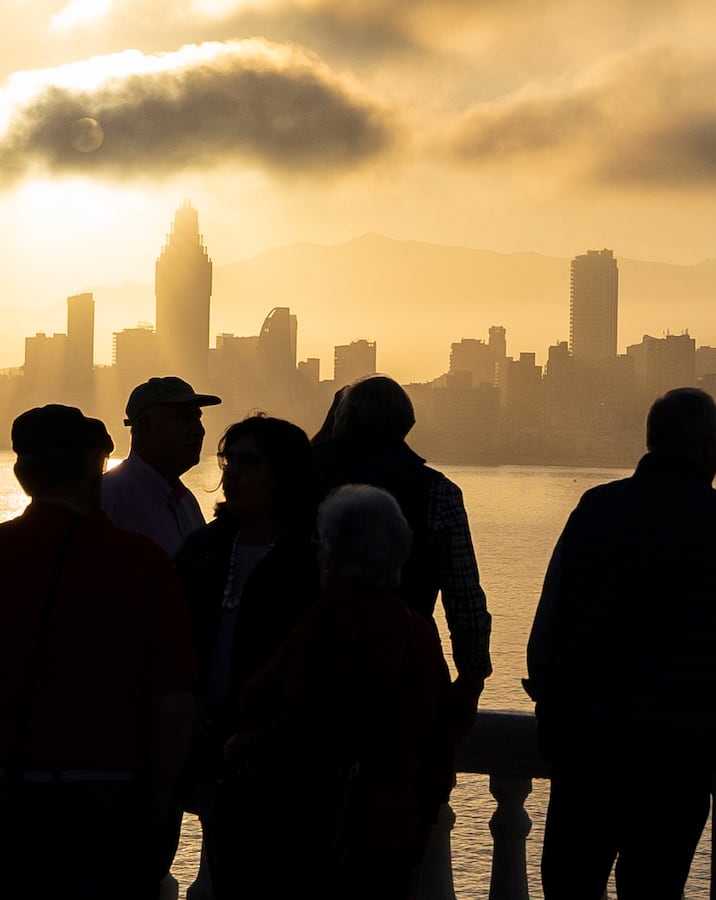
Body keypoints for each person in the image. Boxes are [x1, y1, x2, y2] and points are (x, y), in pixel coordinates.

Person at [526, 387, 716, 900]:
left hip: (584, 746)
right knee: (652, 887)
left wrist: (553, 701)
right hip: (674, 754)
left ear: (651, 443)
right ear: (710, 449)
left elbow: (547, 624)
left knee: (570, 885)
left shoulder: (593, 509)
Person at [0, 404, 197, 899]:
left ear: (21, 473)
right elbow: (173, 706)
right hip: (107, 798)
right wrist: (156, 804)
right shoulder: (142, 564)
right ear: (97, 469)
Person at [208, 484, 454, 900]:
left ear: (333, 556)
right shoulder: (418, 630)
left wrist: (240, 745)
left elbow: (297, 722)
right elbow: (439, 734)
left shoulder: (327, 622)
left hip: (315, 831)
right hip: (393, 830)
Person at [313, 375, 493, 720]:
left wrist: (326, 434)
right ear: (407, 425)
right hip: (405, 668)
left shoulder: (303, 475)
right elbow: (465, 600)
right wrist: (471, 680)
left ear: (343, 419)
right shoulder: (438, 491)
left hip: (312, 669)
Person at [173, 416, 322, 818]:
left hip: (282, 759)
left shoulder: (314, 557)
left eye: (249, 462)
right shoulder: (202, 550)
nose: (232, 475)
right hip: (207, 746)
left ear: (284, 472)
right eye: (228, 462)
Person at [101, 375, 221, 557]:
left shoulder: (186, 501)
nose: (198, 430)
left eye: (197, 418)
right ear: (146, 427)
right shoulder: (111, 497)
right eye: (184, 418)